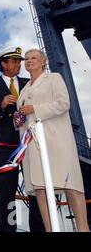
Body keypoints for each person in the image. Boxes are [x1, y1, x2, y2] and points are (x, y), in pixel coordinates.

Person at [17, 48, 89, 232]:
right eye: (26, 59)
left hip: (56, 140)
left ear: (43, 62)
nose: (29, 61)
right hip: (33, 146)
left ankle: (83, 228)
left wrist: (35, 108)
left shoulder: (54, 79)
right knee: (40, 189)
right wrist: (17, 120)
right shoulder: (24, 90)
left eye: (33, 58)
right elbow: (23, 117)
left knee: (70, 184)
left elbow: (63, 103)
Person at [0, 46, 44, 232]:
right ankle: (7, 230)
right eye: (14, 61)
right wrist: (0, 106)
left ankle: (39, 229)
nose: (19, 65)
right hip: (7, 146)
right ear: (3, 64)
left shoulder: (30, 82)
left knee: (35, 187)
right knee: (8, 190)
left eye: (19, 61)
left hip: (31, 141)